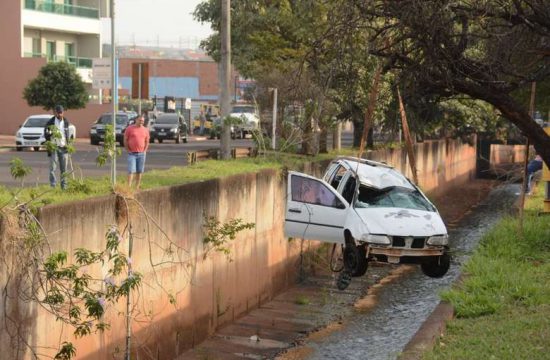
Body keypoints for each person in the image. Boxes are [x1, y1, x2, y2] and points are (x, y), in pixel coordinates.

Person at [44, 105, 72, 190]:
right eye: (58, 112)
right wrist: (51, 133)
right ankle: (53, 186)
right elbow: (46, 134)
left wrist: (69, 145)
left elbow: (67, 135)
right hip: (54, 148)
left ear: (63, 112)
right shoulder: (50, 122)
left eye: (61, 112)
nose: (60, 114)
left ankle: (64, 187)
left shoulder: (66, 122)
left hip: (64, 147)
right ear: (55, 112)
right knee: (52, 168)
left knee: (64, 169)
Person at [124, 114, 150, 190]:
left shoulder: (145, 130)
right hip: (132, 153)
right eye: (140, 120)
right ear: (136, 120)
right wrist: (128, 150)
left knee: (139, 171)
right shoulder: (129, 129)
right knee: (131, 170)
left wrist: (145, 151)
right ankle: (128, 187)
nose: (141, 122)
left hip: (141, 154)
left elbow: (147, 141)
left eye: (142, 121)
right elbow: (125, 140)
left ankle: (137, 187)